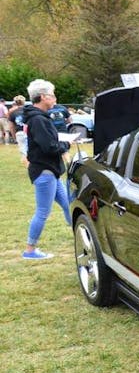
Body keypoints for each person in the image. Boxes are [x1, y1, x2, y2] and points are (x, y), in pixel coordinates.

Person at [21, 79, 72, 260]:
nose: (55, 99)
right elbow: (49, 147)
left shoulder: (39, 118)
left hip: (51, 171)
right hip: (44, 172)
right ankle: (29, 250)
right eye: (52, 95)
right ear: (43, 97)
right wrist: (67, 143)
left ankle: (80, 234)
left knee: (68, 204)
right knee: (42, 212)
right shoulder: (38, 120)